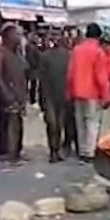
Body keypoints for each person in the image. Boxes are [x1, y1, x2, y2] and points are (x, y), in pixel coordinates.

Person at [67, 22, 110, 162]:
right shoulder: (98, 52)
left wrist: (69, 91)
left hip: (77, 92)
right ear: (98, 37)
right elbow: (101, 76)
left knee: (80, 122)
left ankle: (82, 151)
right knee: (92, 123)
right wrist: (106, 96)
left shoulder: (76, 50)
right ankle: (90, 152)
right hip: (93, 94)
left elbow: (70, 73)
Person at [0, 23, 28, 164]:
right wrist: (5, 92)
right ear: (8, 36)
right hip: (8, 94)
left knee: (18, 124)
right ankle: (10, 153)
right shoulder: (2, 52)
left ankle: (17, 152)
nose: (19, 38)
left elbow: (25, 70)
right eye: (17, 34)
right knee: (10, 125)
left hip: (19, 93)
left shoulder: (17, 53)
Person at [38, 35, 70, 163]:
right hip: (58, 95)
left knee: (53, 125)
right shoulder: (68, 56)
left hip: (51, 95)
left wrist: (41, 98)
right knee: (57, 124)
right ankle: (55, 150)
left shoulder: (46, 56)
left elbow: (41, 78)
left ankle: (54, 150)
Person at [25, 32, 42, 106]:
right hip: (33, 69)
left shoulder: (29, 47)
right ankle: (32, 100)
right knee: (33, 85)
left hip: (29, 68)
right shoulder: (33, 48)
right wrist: (36, 65)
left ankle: (29, 98)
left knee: (30, 84)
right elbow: (34, 58)